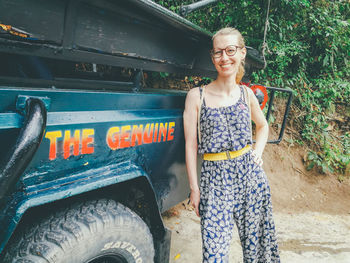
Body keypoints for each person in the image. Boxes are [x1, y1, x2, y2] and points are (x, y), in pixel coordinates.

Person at [183, 27, 280, 263]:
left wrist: (257, 153)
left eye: (230, 50)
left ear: (242, 53)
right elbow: (190, 145)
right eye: (218, 52)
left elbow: (263, 126)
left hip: (249, 176)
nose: (224, 57)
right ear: (213, 56)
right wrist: (195, 189)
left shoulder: (247, 94)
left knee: (259, 250)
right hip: (214, 181)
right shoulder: (197, 96)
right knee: (214, 253)